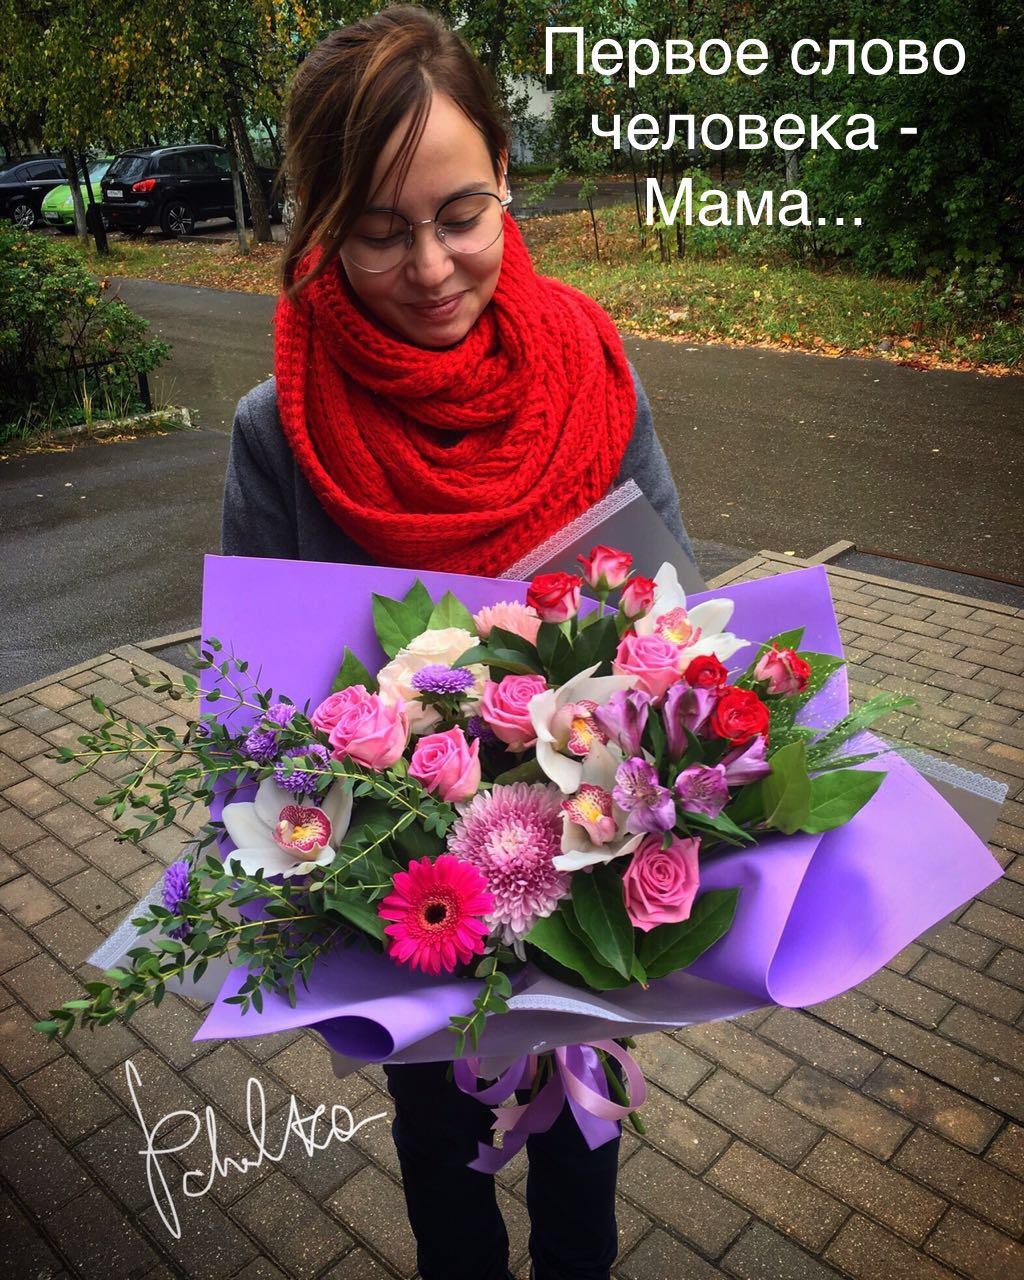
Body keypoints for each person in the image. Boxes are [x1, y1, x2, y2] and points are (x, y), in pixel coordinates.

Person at [221, 8, 695, 1278]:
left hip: (588, 882)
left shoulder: (592, 367)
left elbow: (676, 616)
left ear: (504, 179)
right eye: (379, 230)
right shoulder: (280, 429)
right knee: (439, 1150)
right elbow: (256, 710)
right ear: (321, 224)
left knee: (586, 1146)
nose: (430, 266)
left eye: (460, 214)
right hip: (409, 912)